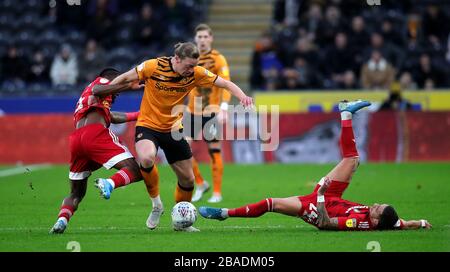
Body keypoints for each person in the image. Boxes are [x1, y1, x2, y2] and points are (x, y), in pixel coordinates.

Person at [92, 42, 253, 232]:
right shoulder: (152, 66)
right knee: (146, 157)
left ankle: (181, 222)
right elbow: (126, 77)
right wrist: (106, 93)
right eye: (188, 66)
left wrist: (243, 96)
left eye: (194, 66)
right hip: (148, 125)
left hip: (174, 129)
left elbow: (224, 83)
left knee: (188, 180)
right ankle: (157, 205)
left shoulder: (197, 73)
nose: (191, 70)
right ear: (176, 59)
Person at [199, 100, 432, 231]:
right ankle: (346, 114)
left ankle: (224, 213)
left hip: (318, 209)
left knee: (271, 203)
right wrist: (418, 223)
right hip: (332, 196)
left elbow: (326, 223)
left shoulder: (357, 223)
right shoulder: (383, 221)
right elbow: (397, 223)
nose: (375, 204)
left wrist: (319, 195)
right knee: (352, 160)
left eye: (377, 209)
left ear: (375, 220)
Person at [49, 68, 143, 234]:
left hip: (77, 140)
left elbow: (111, 116)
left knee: (76, 193)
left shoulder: (89, 98)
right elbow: (98, 90)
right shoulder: (103, 82)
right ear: (113, 79)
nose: (117, 95)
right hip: (95, 134)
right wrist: (127, 84)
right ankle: (109, 183)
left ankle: (61, 220)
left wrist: (138, 115)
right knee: (136, 169)